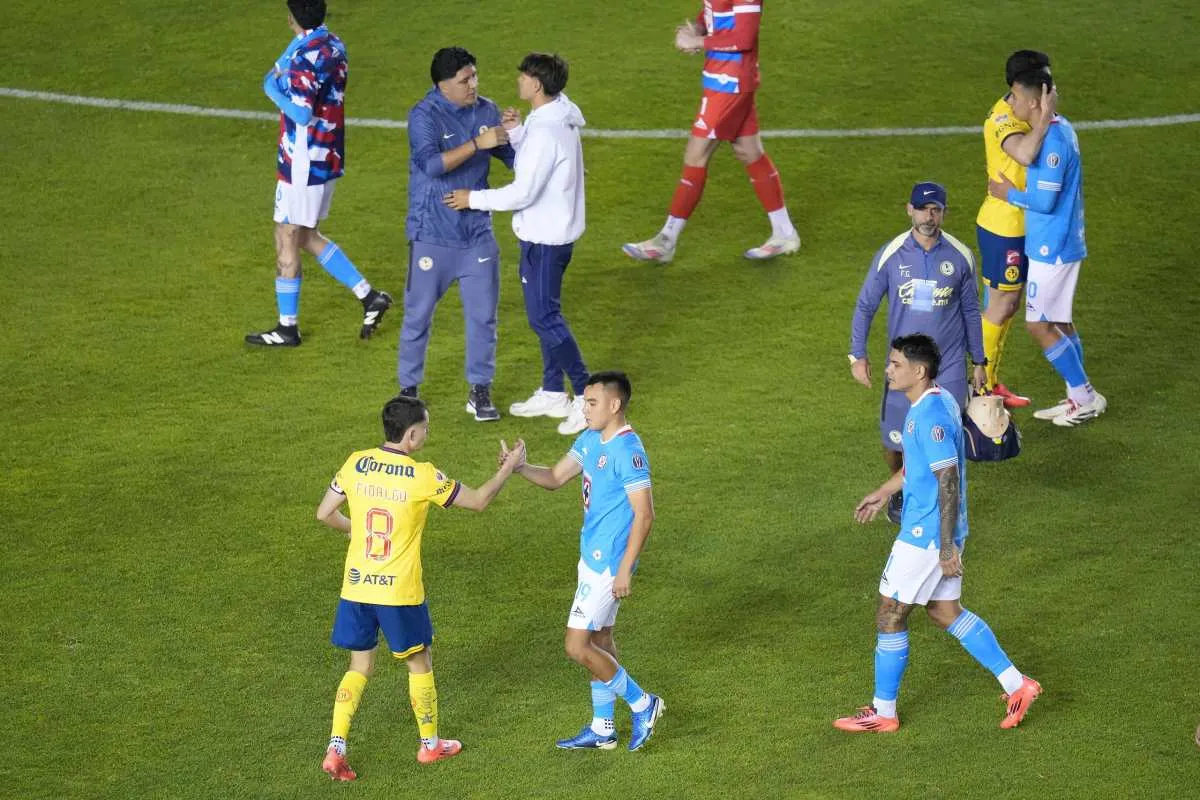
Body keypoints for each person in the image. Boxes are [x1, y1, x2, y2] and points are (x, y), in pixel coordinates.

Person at [834, 334, 1042, 733]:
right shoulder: (940, 399)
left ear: (919, 371)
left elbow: (947, 479)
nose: (889, 370)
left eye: (895, 364)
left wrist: (945, 547)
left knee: (890, 613)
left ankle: (884, 713)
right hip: (938, 530)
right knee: (944, 612)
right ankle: (1019, 684)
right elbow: (922, 465)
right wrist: (883, 492)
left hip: (926, 534)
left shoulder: (928, 415)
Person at [314, 395, 525, 780]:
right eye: (426, 427)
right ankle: (430, 745)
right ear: (411, 434)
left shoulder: (355, 462)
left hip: (356, 588)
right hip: (399, 594)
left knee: (360, 665)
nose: (428, 432)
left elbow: (324, 513)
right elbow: (477, 501)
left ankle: (336, 746)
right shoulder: (422, 474)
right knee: (419, 661)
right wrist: (508, 469)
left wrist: (354, 531)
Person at [504, 371, 665, 751]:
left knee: (576, 646)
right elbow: (557, 477)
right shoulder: (591, 438)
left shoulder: (629, 451)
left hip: (609, 561)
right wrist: (520, 467)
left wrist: (625, 568)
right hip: (590, 554)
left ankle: (644, 704)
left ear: (615, 405)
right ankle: (603, 728)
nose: (584, 408)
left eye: (591, 403)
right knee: (600, 639)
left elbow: (645, 515)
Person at [444, 53, 591, 436]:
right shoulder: (556, 116)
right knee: (546, 316)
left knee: (544, 318)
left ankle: (588, 397)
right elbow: (539, 160)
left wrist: (472, 198)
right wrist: (519, 131)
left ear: (537, 85)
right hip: (550, 233)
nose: (519, 81)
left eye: (523, 76)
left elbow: (522, 192)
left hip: (545, 239)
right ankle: (553, 391)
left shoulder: (546, 131)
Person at [246, 0, 392, 347]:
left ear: (290, 17)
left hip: (302, 160)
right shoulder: (333, 44)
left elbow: (299, 112)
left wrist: (272, 90)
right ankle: (369, 296)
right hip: (328, 153)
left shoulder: (301, 59)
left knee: (286, 234)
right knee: (306, 233)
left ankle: (287, 327)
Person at [849, 183, 987, 524]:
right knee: (895, 442)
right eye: (923, 208)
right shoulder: (892, 254)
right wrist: (857, 355)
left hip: (949, 365)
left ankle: (943, 502)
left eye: (936, 209)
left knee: (944, 437)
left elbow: (971, 310)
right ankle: (899, 489)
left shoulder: (959, 255)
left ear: (943, 212)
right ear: (909, 210)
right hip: (905, 368)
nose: (930, 215)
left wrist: (980, 360)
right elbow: (866, 305)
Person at [622, 2, 800, 263]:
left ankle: (666, 240)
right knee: (749, 152)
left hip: (731, 82)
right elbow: (714, 9)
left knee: (696, 155)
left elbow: (744, 38)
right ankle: (785, 232)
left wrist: (698, 42)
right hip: (721, 78)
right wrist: (698, 26)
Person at [400, 47, 518, 421]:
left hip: (476, 233)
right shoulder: (424, 116)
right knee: (418, 315)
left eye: (475, 76)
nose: (473, 85)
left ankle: (479, 390)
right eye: (464, 80)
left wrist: (516, 134)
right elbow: (431, 165)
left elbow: (515, 161)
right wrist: (476, 144)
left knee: (484, 317)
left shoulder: (486, 110)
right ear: (442, 86)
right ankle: (408, 391)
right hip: (432, 232)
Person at [989, 69, 1106, 426]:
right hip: (1059, 242)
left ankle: (1084, 395)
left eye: (1016, 96)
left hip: (1052, 247)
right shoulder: (1059, 129)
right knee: (1059, 320)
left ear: (1035, 101)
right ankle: (1079, 395)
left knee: (1038, 325)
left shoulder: (1052, 143)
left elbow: (1045, 201)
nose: (1011, 103)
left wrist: (1008, 193)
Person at [975, 50, 1057, 408]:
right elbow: (1023, 154)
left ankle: (989, 381)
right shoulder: (1002, 119)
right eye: (1037, 94)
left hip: (1019, 222)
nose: (1043, 99)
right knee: (1001, 305)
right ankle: (979, 386)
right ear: (1017, 90)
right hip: (1003, 225)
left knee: (1007, 303)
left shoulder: (1023, 108)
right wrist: (1045, 119)